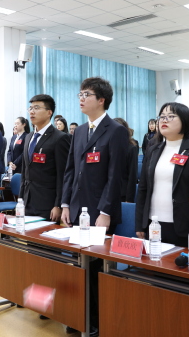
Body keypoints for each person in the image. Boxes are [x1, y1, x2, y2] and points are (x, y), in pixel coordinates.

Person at [61, 77, 127, 336]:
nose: (81, 98)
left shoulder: (115, 130)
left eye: (86, 94)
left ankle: (97, 321)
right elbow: (70, 170)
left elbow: (115, 176)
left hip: (100, 212)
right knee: (79, 265)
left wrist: (106, 211)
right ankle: (80, 315)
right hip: (77, 209)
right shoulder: (79, 131)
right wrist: (65, 204)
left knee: (97, 268)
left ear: (101, 100)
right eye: (80, 94)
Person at [135, 103, 189, 247]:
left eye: (171, 116)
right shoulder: (153, 151)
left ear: (185, 120)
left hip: (184, 227)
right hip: (153, 224)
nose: (164, 120)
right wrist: (139, 224)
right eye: (162, 117)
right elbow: (143, 189)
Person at [19, 95, 71, 220]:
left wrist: (58, 205)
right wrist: (21, 200)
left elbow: (63, 175)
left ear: (49, 112)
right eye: (30, 108)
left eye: (36, 108)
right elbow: (24, 172)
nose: (32, 111)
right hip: (27, 201)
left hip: (47, 204)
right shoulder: (28, 137)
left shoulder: (60, 138)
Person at [113, 117, 139, 203]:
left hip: (123, 194)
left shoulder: (131, 148)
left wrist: (129, 199)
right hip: (107, 194)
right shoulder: (107, 147)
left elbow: (132, 176)